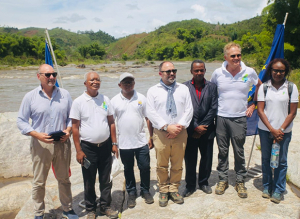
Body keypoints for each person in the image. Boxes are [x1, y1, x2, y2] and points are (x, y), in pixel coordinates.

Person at [17, 64, 78, 219]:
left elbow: (72, 118)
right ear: (39, 76)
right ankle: (38, 212)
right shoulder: (30, 96)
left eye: (54, 74)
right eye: (48, 75)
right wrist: (36, 135)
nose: (51, 77)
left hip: (62, 143)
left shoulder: (64, 94)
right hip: (41, 144)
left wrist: (68, 131)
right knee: (39, 181)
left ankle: (68, 209)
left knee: (64, 178)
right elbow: (21, 121)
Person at [210, 42, 262, 198]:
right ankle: (223, 180)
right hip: (221, 118)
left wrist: (253, 104)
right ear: (226, 57)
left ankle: (240, 181)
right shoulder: (218, 73)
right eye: (233, 55)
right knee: (222, 151)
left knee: (239, 152)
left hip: (239, 118)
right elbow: (212, 91)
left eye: (239, 55)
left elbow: (259, 85)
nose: (236, 58)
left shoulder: (249, 71)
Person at [70, 72, 118, 219]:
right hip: (87, 148)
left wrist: (114, 143)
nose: (95, 82)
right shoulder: (78, 102)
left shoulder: (105, 99)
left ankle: (105, 207)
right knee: (89, 179)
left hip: (105, 146)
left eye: (97, 79)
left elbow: (111, 122)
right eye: (92, 80)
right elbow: (75, 128)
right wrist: (78, 150)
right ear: (85, 83)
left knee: (106, 179)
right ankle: (90, 209)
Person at [146, 61, 193, 207]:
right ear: (160, 73)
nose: (172, 73)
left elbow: (189, 110)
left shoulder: (183, 89)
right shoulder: (153, 91)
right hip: (161, 134)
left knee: (177, 164)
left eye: (174, 70)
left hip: (180, 132)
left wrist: (178, 128)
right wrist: (166, 127)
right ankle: (163, 190)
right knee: (161, 164)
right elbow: (150, 112)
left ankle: (174, 189)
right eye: (168, 71)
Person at [257, 58, 298, 204]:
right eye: (275, 70)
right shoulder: (264, 87)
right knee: (266, 159)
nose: (278, 73)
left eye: (281, 71)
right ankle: (267, 186)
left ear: (285, 71)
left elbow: (292, 113)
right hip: (265, 130)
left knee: (281, 161)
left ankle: (279, 189)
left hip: (284, 132)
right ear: (270, 71)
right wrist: (272, 130)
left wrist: (280, 130)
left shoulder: (291, 88)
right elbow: (260, 111)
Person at [110, 72, 154, 208]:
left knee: (145, 167)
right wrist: (114, 143)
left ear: (134, 84)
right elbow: (112, 123)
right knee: (128, 169)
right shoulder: (114, 101)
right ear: (119, 85)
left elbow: (148, 118)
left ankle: (145, 191)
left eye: (130, 82)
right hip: (124, 144)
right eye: (125, 82)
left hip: (141, 141)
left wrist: (151, 136)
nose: (128, 85)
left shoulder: (141, 98)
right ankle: (132, 193)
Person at [183, 60, 218, 197]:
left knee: (207, 158)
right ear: (191, 71)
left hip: (207, 130)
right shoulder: (184, 87)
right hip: (191, 130)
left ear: (205, 71)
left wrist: (203, 126)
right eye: (196, 70)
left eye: (201, 70)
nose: (199, 73)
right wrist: (195, 127)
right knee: (190, 159)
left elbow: (214, 108)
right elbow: (184, 109)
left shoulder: (212, 87)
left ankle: (203, 182)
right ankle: (190, 185)